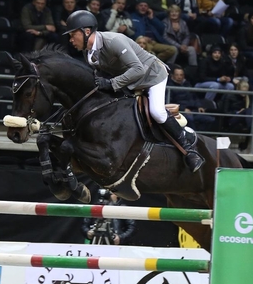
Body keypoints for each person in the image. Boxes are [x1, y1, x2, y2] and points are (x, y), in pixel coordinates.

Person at [64, 9, 205, 172]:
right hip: (129, 82)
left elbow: (138, 69)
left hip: (152, 75)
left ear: (86, 31)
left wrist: (111, 84)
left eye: (72, 34)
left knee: (157, 111)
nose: (71, 39)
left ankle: (190, 150)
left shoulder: (114, 41)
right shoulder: (88, 52)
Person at [167, 66, 217, 132]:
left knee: (210, 120)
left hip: (193, 110)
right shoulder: (169, 87)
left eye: (181, 75)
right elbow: (169, 102)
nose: (179, 77)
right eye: (177, 75)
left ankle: (200, 135)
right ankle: (194, 136)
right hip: (180, 111)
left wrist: (199, 106)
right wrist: (183, 109)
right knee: (189, 119)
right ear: (172, 76)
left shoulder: (187, 84)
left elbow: (194, 97)